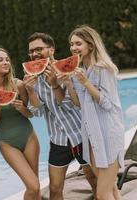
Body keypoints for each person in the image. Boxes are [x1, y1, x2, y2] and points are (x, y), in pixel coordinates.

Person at [23, 32, 97, 200]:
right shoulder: (31, 79)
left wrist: (55, 84)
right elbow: (38, 111)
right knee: (55, 189)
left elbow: (70, 105)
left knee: (93, 179)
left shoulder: (68, 71)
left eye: (39, 49)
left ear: (51, 50)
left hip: (81, 134)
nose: (34, 54)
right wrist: (30, 90)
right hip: (58, 139)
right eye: (31, 51)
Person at [63, 25, 124, 200]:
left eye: (78, 43)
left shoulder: (103, 68)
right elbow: (78, 104)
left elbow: (107, 103)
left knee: (102, 194)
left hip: (108, 135)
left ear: (90, 45)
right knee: (111, 189)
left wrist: (85, 83)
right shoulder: (79, 71)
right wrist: (68, 83)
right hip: (92, 136)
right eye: (71, 44)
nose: (74, 47)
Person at [0, 47, 41, 200]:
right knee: (34, 186)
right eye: (0, 60)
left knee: (35, 188)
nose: (5, 62)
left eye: (7, 59)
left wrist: (21, 108)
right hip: (8, 143)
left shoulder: (18, 85)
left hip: (29, 137)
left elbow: (30, 114)